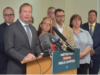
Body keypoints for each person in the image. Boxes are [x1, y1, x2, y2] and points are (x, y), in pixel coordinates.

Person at [4, 3, 42, 74]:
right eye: (24, 11)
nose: (27, 14)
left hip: (32, 68)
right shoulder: (11, 28)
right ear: (19, 13)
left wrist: (40, 54)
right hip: (16, 69)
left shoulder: (33, 29)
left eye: (29, 12)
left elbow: (36, 45)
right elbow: (8, 49)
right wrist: (23, 57)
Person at [82, 10, 100, 74]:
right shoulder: (82, 27)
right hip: (84, 56)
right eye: (90, 15)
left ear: (96, 17)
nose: (91, 16)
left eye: (93, 15)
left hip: (96, 56)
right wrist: (86, 52)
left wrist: (94, 52)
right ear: (88, 17)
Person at [0, 7, 15, 74]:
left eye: (11, 14)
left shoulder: (17, 28)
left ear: (14, 16)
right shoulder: (0, 28)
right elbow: (1, 45)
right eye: (7, 15)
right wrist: (13, 53)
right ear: (3, 16)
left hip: (17, 62)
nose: (9, 16)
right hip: (4, 62)